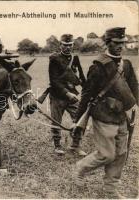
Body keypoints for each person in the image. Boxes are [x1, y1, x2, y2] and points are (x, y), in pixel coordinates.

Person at [73, 27, 138, 198]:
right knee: (107, 155)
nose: (120, 46)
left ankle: (110, 189)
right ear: (107, 43)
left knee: (121, 155)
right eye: (116, 43)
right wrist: (78, 119)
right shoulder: (98, 66)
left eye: (122, 43)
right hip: (103, 116)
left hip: (122, 116)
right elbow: (87, 94)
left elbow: (134, 89)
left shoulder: (127, 65)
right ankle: (81, 167)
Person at [48, 34, 87, 156]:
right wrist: (67, 93)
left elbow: (81, 77)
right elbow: (54, 81)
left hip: (72, 96)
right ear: (60, 45)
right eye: (65, 45)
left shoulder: (75, 58)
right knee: (56, 121)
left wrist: (88, 91)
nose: (68, 47)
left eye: (70, 45)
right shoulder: (54, 59)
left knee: (80, 119)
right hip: (58, 95)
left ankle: (75, 145)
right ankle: (57, 146)